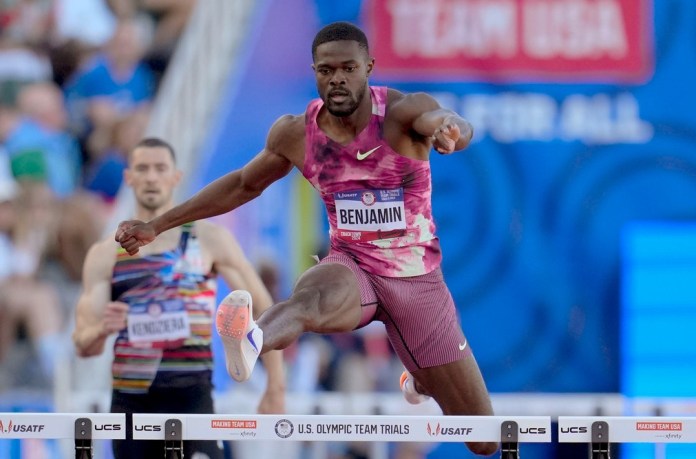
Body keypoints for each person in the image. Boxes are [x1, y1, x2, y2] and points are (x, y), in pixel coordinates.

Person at [116, 22, 497, 456]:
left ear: (368, 68)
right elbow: (242, 184)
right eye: (326, 70)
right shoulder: (297, 134)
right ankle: (250, 339)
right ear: (315, 72)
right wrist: (158, 224)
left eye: (348, 68)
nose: (337, 78)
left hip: (416, 282)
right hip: (353, 268)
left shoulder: (402, 113)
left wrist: (452, 131)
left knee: (482, 439)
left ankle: (419, 375)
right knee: (309, 299)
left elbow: (447, 121)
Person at [73, 137, 285, 459]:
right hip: (132, 401)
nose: (151, 177)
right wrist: (102, 328)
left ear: (175, 177)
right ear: (129, 178)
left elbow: (265, 308)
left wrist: (276, 387)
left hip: (192, 395)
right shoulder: (106, 255)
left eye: (160, 168)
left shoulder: (210, 239)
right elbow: (83, 344)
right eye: (143, 169)